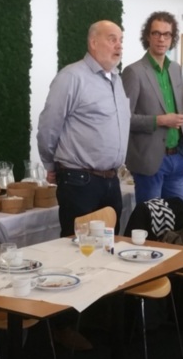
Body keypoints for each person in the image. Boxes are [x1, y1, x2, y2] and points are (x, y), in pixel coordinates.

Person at [38, 20, 131, 237]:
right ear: (93, 43)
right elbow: (48, 126)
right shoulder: (71, 77)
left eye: (120, 40)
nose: (119, 45)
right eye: (112, 39)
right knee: (77, 248)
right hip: (79, 181)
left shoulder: (116, 80)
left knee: (109, 247)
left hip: (111, 180)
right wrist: (50, 164)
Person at [121, 11, 183, 212]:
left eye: (167, 34)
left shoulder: (176, 69)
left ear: (172, 38)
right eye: (156, 33)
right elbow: (124, 119)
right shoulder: (133, 72)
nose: (162, 39)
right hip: (150, 160)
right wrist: (160, 120)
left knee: (181, 219)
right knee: (152, 222)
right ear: (148, 36)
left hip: (177, 157)